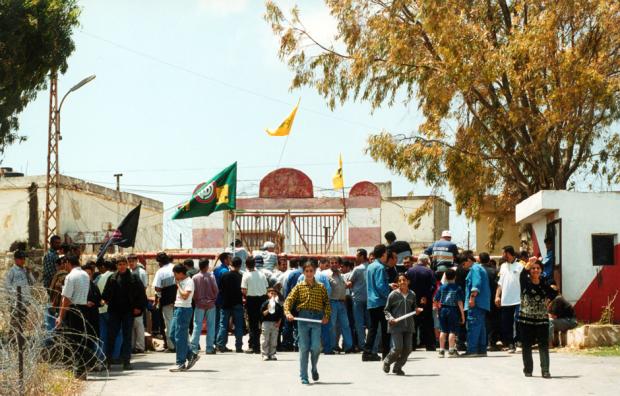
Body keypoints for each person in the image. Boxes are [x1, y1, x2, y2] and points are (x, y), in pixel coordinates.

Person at [284, 262, 331, 385]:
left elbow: (327, 303)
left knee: (316, 347)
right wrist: (288, 313)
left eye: (311, 271)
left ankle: (314, 367)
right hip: (303, 319)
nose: (309, 273)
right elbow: (288, 301)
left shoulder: (321, 287)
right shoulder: (299, 287)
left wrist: (326, 315)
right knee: (304, 348)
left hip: (316, 319)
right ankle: (304, 376)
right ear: (303, 272)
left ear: (314, 271)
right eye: (307, 271)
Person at [102, 256, 147, 370]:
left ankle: (126, 361)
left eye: (123, 264)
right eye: (119, 264)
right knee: (111, 336)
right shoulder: (112, 278)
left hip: (128, 311)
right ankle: (108, 361)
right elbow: (106, 294)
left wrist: (138, 307)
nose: (121, 267)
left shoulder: (134, 278)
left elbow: (141, 294)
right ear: (117, 266)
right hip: (114, 311)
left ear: (127, 265)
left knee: (127, 336)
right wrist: (104, 300)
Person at [518, 259, 557, 378]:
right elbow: (522, 274)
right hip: (526, 319)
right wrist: (528, 263)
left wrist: (548, 301)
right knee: (526, 345)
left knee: (543, 345)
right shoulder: (525, 282)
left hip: (542, 319)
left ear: (541, 270)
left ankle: (545, 370)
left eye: (538, 268)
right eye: (533, 268)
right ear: (530, 270)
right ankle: (528, 370)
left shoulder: (544, 283)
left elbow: (554, 293)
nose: (535, 270)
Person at [55, 255, 91, 379]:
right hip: (84, 309)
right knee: (81, 339)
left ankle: (77, 370)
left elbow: (66, 298)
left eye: (65, 263)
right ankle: (83, 370)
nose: (64, 266)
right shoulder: (85, 275)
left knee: (72, 341)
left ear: (69, 263)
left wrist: (60, 316)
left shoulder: (71, 276)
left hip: (73, 310)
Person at [383, 274, 422, 375]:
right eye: (399, 281)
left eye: (404, 280)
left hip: (409, 325)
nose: (402, 282)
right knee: (397, 348)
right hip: (396, 326)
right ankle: (387, 361)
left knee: (408, 349)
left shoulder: (412, 294)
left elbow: (414, 307)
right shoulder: (393, 295)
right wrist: (390, 318)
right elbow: (386, 310)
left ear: (408, 282)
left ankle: (397, 367)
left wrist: (417, 310)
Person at [363, 244, 392, 361]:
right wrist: (389, 292)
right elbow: (380, 286)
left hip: (371, 302)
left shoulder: (370, 266)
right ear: (383, 254)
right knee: (386, 329)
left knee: (373, 328)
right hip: (380, 302)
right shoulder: (380, 268)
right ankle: (386, 353)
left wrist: (388, 285)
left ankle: (367, 352)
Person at [169, 264, 200, 372]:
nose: (174, 276)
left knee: (180, 337)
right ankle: (191, 354)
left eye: (175, 274)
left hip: (183, 309)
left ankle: (180, 363)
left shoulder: (188, 282)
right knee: (172, 335)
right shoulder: (182, 281)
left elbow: (185, 295)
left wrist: (178, 285)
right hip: (178, 308)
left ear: (181, 273)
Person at [495, 245, 523, 353]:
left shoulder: (521, 265)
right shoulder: (502, 266)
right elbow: (500, 283)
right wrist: (497, 296)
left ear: (509, 254)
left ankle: (519, 342)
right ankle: (510, 344)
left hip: (518, 299)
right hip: (505, 300)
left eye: (503, 253)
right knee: (506, 323)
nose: (502, 255)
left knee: (519, 321)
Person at [406, 253, 436, 351]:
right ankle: (430, 345)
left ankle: (412, 345)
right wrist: (426, 295)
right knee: (427, 322)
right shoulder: (429, 271)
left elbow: (406, 285)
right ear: (426, 261)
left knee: (413, 322)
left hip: (411, 299)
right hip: (425, 300)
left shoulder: (409, 271)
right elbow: (433, 286)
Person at [324, 257, 354, 354]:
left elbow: (343, 286)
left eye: (335, 263)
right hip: (332, 302)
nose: (334, 264)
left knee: (345, 325)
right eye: (332, 263)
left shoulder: (340, 275)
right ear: (329, 264)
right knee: (332, 326)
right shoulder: (327, 275)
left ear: (338, 264)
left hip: (342, 302)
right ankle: (332, 346)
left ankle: (348, 346)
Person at [433, 269, 465, 358]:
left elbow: (435, 300)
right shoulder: (457, 288)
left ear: (445, 277)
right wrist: (462, 315)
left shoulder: (441, 287)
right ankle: (451, 350)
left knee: (443, 330)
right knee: (452, 331)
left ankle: (441, 350)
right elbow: (459, 302)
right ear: (455, 277)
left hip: (442, 309)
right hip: (453, 310)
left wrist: (437, 310)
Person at [464, 253, 491, 356]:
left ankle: (472, 350)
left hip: (476, 302)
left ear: (468, 260)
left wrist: (472, 298)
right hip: (482, 303)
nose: (463, 266)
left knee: (473, 325)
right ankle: (481, 350)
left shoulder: (474, 268)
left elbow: (476, 284)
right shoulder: (480, 268)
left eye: (463, 263)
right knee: (480, 326)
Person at [216, 257, 244, 353]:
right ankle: (239, 347)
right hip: (238, 303)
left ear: (231, 264)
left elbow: (220, 289)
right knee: (239, 326)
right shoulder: (241, 276)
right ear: (240, 265)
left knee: (223, 325)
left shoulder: (224, 275)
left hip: (225, 303)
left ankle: (221, 345)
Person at [191, 258, 219, 355]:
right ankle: (209, 348)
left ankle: (194, 348)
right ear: (206, 266)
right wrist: (213, 299)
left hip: (199, 304)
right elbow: (216, 290)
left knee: (197, 326)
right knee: (211, 326)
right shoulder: (211, 276)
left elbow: (193, 292)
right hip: (211, 304)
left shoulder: (194, 277)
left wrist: (197, 299)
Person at [241, 257, 269, 354]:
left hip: (252, 300)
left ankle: (254, 346)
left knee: (253, 324)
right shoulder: (262, 274)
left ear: (246, 265)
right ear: (254, 264)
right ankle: (265, 346)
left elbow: (244, 290)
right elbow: (266, 287)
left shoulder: (246, 275)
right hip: (263, 299)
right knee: (263, 323)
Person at [348, 249, 372, 354]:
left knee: (359, 323)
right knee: (370, 324)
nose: (356, 257)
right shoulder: (371, 268)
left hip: (357, 299)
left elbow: (349, 282)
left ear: (362, 256)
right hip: (370, 299)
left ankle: (362, 345)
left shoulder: (357, 269)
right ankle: (371, 344)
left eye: (357, 255)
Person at [153, 252, 177, 352]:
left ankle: (172, 346)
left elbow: (157, 287)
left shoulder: (160, 272)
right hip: (179, 299)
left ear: (159, 262)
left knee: (169, 323)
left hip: (166, 300)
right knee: (179, 323)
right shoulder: (176, 267)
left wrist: (157, 298)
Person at [82, 262, 103, 371]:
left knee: (93, 340)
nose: (88, 276)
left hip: (94, 317)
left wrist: (100, 302)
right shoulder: (80, 286)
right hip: (83, 318)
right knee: (84, 341)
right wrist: (85, 303)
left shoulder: (94, 286)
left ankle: (93, 362)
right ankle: (86, 363)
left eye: (89, 274)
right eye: (86, 274)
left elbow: (99, 299)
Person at [480, 252, 501, 350]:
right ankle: (491, 343)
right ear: (489, 260)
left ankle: (482, 342)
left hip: (480, 299)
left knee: (482, 321)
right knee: (493, 321)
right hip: (493, 299)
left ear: (479, 260)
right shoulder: (495, 271)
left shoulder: (477, 270)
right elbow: (499, 285)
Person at [128, 254, 148, 354]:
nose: (131, 263)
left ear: (136, 261)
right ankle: (132, 346)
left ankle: (140, 346)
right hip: (129, 303)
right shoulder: (129, 272)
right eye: (129, 261)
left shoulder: (141, 272)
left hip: (138, 302)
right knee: (131, 325)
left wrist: (139, 305)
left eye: (132, 261)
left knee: (139, 325)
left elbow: (143, 289)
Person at [260, 288, 284, 360]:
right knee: (265, 339)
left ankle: (272, 353)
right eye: (271, 293)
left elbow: (280, 315)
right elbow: (262, 314)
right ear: (268, 294)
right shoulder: (265, 303)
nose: (272, 294)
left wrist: (278, 323)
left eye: (274, 293)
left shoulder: (277, 305)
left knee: (274, 340)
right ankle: (265, 354)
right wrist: (268, 309)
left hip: (274, 323)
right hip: (266, 323)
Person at [213, 252, 231, 343]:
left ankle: (215, 340)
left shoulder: (216, 270)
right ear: (225, 260)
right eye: (229, 258)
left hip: (216, 298)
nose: (231, 260)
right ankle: (220, 343)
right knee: (222, 322)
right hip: (223, 299)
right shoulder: (225, 271)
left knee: (216, 321)